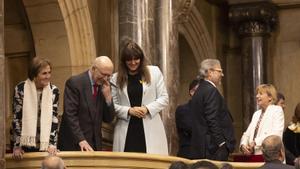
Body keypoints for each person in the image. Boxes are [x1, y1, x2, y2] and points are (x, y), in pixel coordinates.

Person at [111, 41, 169, 155]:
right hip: (126, 128)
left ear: (141, 59)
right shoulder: (115, 78)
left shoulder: (155, 72)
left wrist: (146, 109)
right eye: (129, 60)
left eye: (136, 59)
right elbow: (113, 105)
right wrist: (129, 110)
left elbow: (164, 98)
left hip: (150, 126)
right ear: (124, 61)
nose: (133, 62)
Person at [58, 56, 115, 151]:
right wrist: (81, 139)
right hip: (75, 144)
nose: (106, 78)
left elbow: (108, 119)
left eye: (109, 76)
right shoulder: (75, 83)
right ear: (93, 69)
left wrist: (108, 98)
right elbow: (70, 115)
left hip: (95, 146)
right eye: (103, 74)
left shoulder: (105, 86)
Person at [11, 57, 59, 160]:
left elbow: (54, 119)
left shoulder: (54, 90)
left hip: (45, 142)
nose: (48, 76)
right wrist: (17, 145)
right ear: (34, 74)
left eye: (49, 72)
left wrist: (52, 144)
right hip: (25, 142)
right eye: (44, 73)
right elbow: (16, 118)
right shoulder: (20, 89)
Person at [190, 59, 236, 161]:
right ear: (210, 72)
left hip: (202, 147)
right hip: (213, 148)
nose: (222, 74)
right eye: (220, 71)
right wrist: (221, 143)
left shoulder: (200, 90)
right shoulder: (210, 90)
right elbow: (212, 118)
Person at [240, 84, 284, 156]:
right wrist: (243, 145)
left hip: (270, 157)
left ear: (270, 97)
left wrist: (256, 142)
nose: (257, 96)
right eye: (257, 94)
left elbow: (276, 134)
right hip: (254, 157)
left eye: (260, 94)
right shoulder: (256, 114)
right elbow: (247, 134)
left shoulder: (277, 110)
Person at [175, 79, 199, 158]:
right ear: (192, 92)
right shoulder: (183, 110)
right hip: (188, 156)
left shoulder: (209, 110)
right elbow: (193, 129)